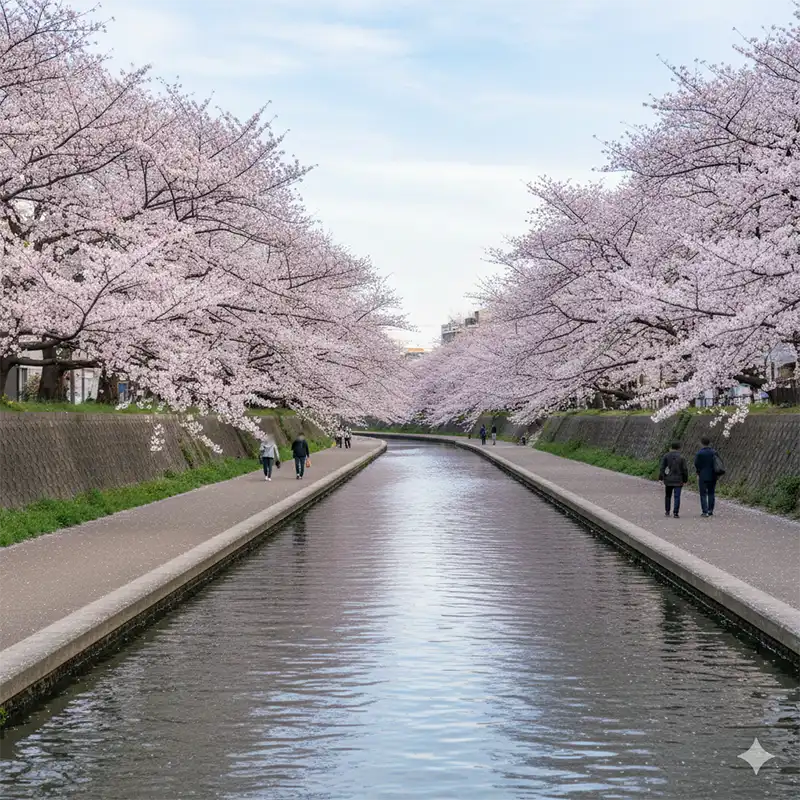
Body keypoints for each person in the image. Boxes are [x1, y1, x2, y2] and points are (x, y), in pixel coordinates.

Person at [659, 441, 688, 518]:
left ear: (671, 447)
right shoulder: (682, 457)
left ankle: (667, 511)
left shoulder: (666, 456)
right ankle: (676, 513)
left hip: (668, 479)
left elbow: (662, 467)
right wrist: (685, 480)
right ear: (679, 448)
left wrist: (661, 478)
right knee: (677, 496)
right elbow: (685, 469)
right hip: (679, 480)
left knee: (668, 496)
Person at [695, 436, 721, 517]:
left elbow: (696, 464)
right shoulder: (714, 452)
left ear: (701, 443)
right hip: (713, 474)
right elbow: (718, 462)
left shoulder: (700, 453)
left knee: (703, 494)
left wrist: (698, 472)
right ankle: (710, 510)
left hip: (703, 475)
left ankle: (704, 511)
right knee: (711, 493)